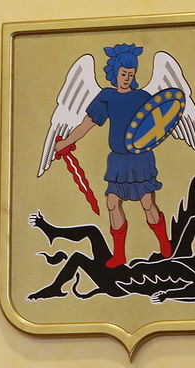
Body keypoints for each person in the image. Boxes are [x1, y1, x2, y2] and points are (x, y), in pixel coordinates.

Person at [54, 43, 174, 263]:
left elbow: (158, 122)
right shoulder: (106, 97)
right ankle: (119, 254)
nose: (127, 78)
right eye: (124, 73)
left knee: (147, 203)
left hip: (139, 158)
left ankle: (164, 243)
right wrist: (66, 142)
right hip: (118, 161)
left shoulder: (142, 97)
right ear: (115, 72)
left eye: (131, 74)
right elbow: (87, 124)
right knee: (112, 203)